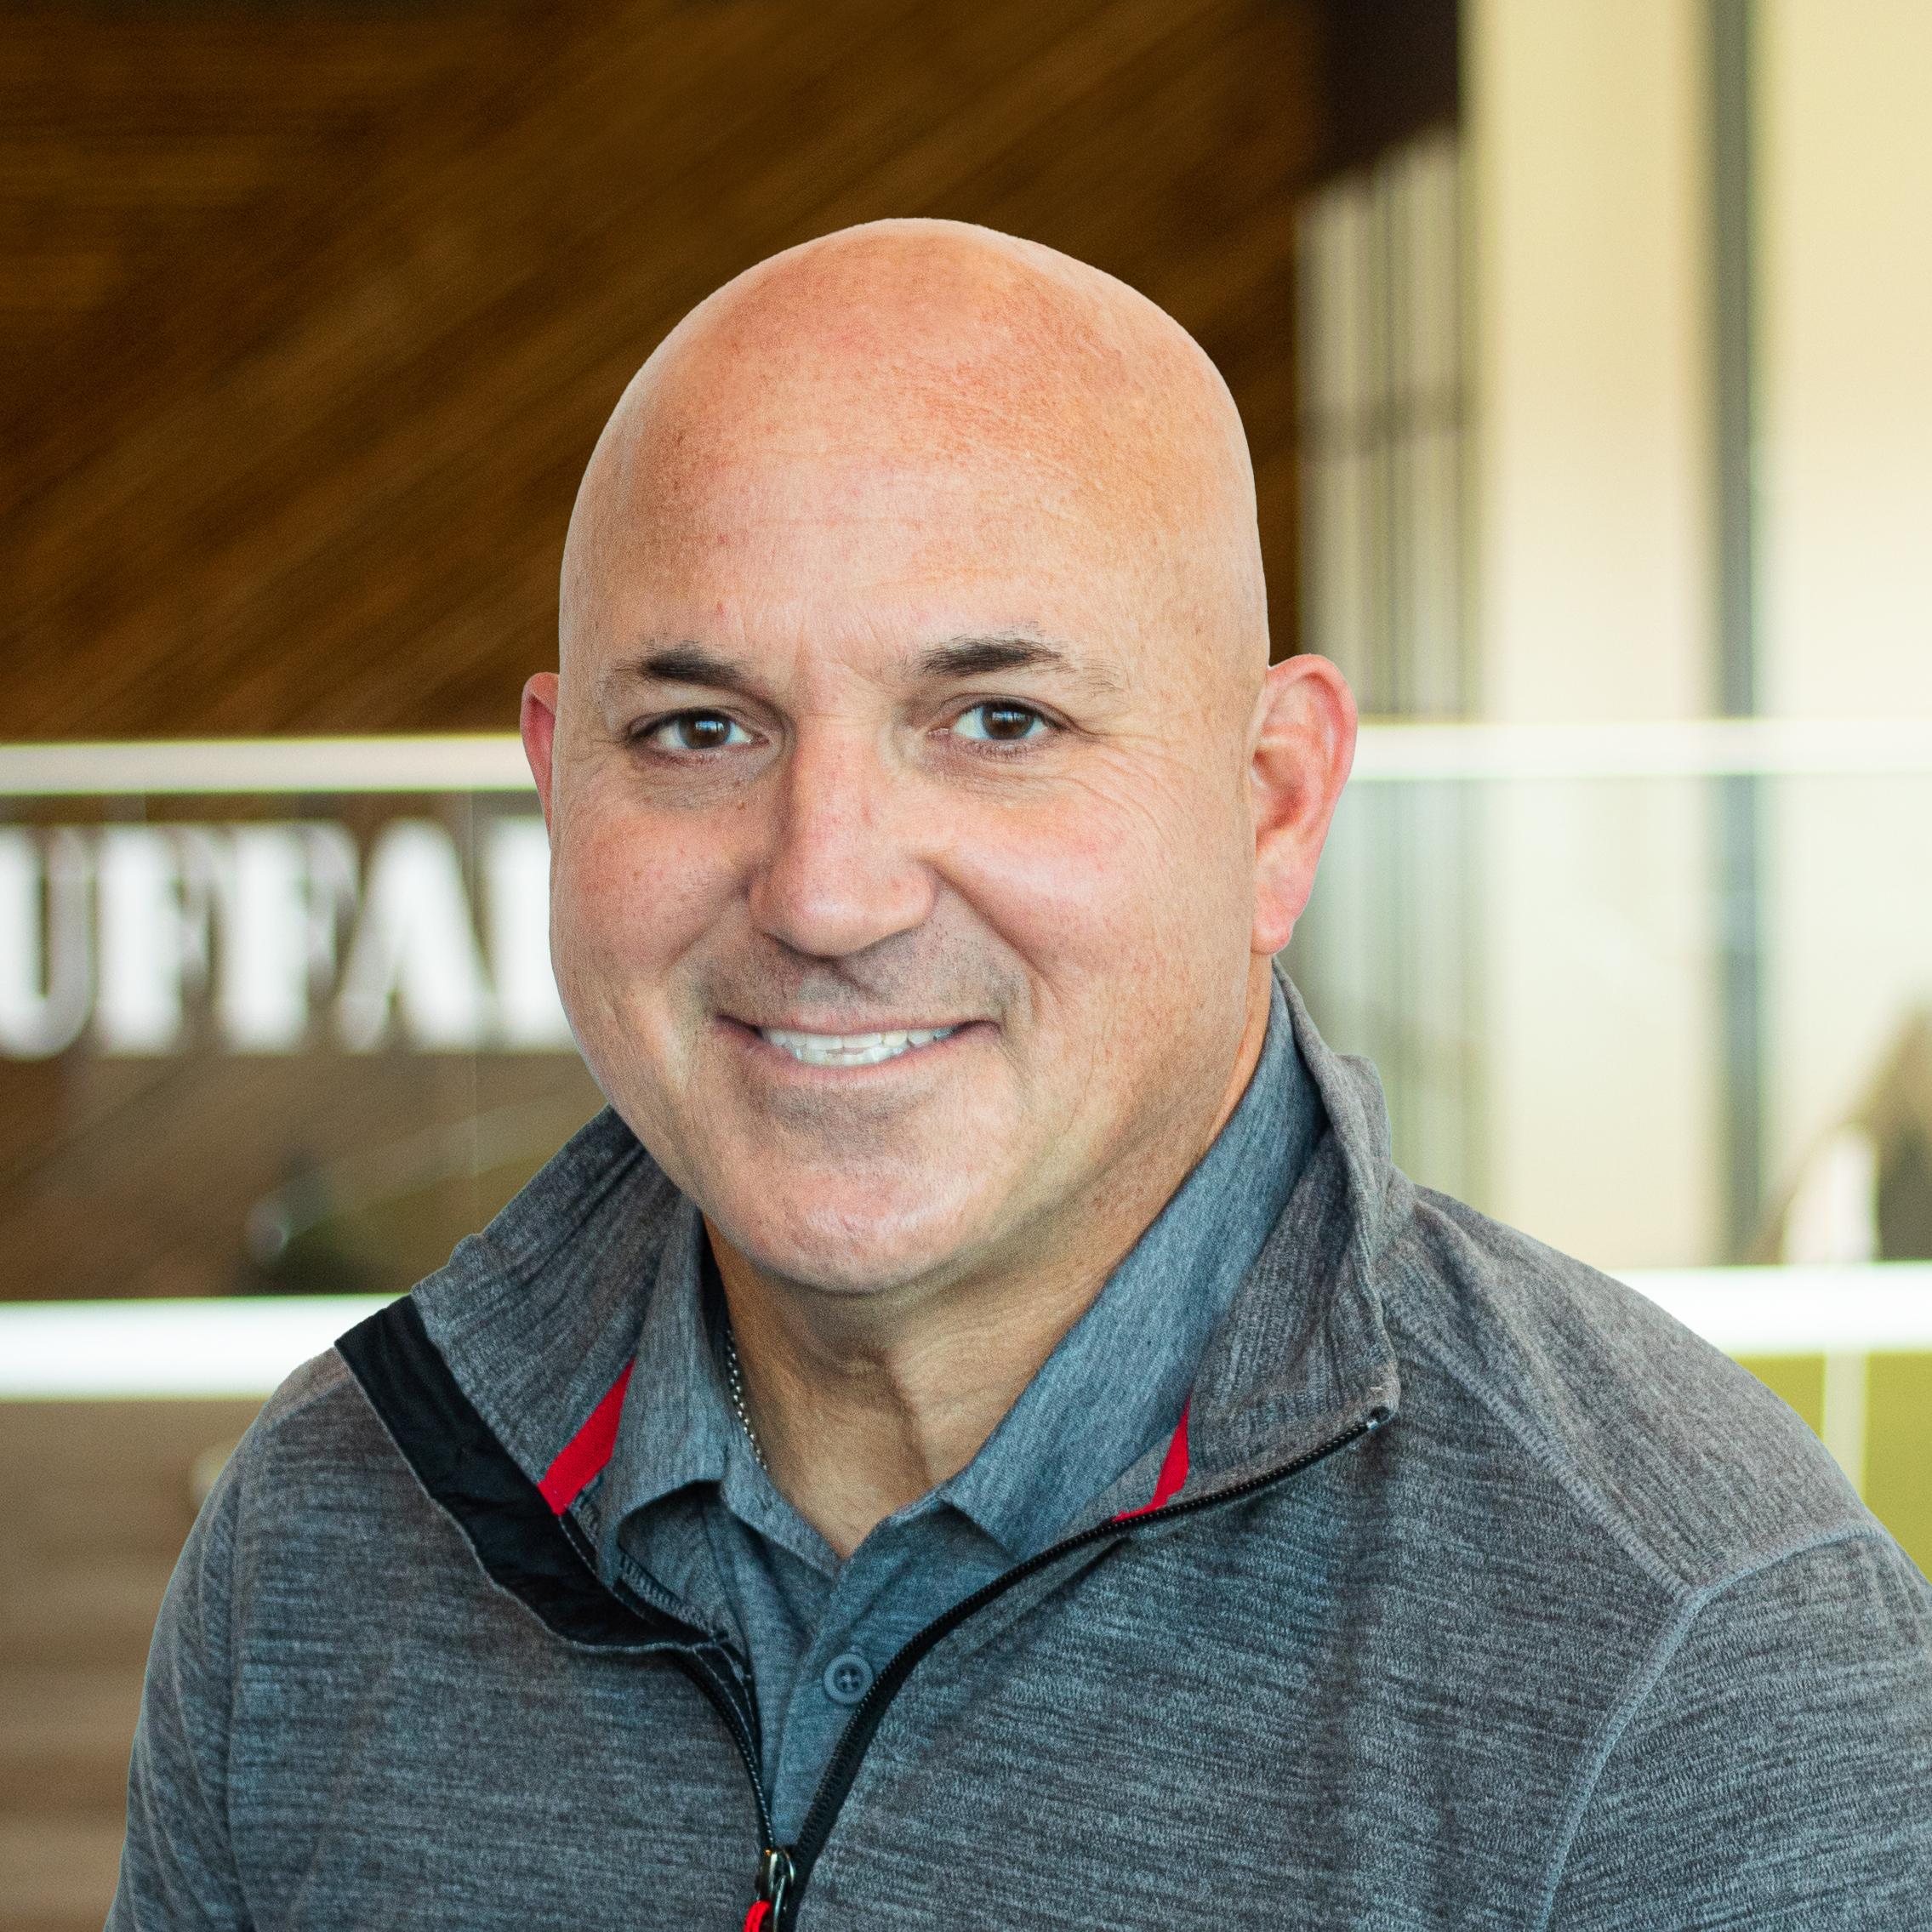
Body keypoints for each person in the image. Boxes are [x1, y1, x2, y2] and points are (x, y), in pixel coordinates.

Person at [111, 220, 1932, 1931]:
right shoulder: (322, 1540)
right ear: (556, 783)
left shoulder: (1694, 1662)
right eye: (697, 728)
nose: (825, 890)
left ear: (1272, 803)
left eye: (999, 721)